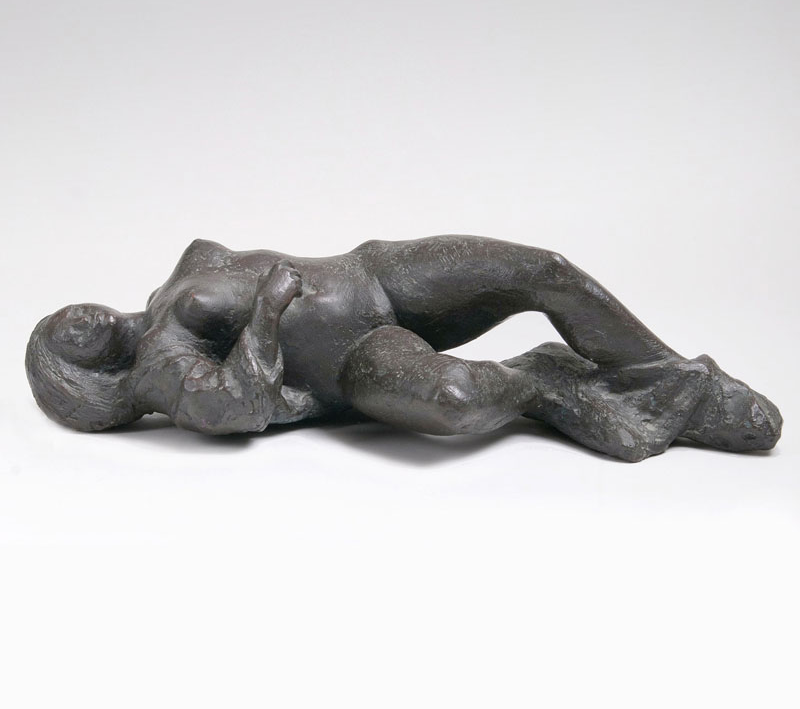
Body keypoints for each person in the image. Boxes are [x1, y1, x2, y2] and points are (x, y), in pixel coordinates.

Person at [25, 235, 782, 461]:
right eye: (63, 339)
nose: (73, 319)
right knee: (455, 400)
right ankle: (544, 381)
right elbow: (235, 408)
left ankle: (672, 377)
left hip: (375, 272)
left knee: (542, 270)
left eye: (60, 317)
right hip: (354, 359)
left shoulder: (179, 272)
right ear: (82, 373)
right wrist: (269, 312)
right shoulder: (159, 366)